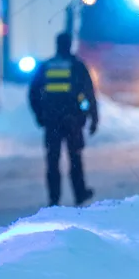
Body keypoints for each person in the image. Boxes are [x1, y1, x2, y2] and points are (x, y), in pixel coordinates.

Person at [28, 32, 97, 207]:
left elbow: (33, 93)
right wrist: (91, 117)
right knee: (75, 158)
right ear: (69, 45)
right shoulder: (77, 66)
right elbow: (88, 93)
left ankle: (54, 198)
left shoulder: (47, 66)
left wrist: (40, 114)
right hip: (72, 121)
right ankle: (79, 194)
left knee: (52, 160)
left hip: (51, 121)